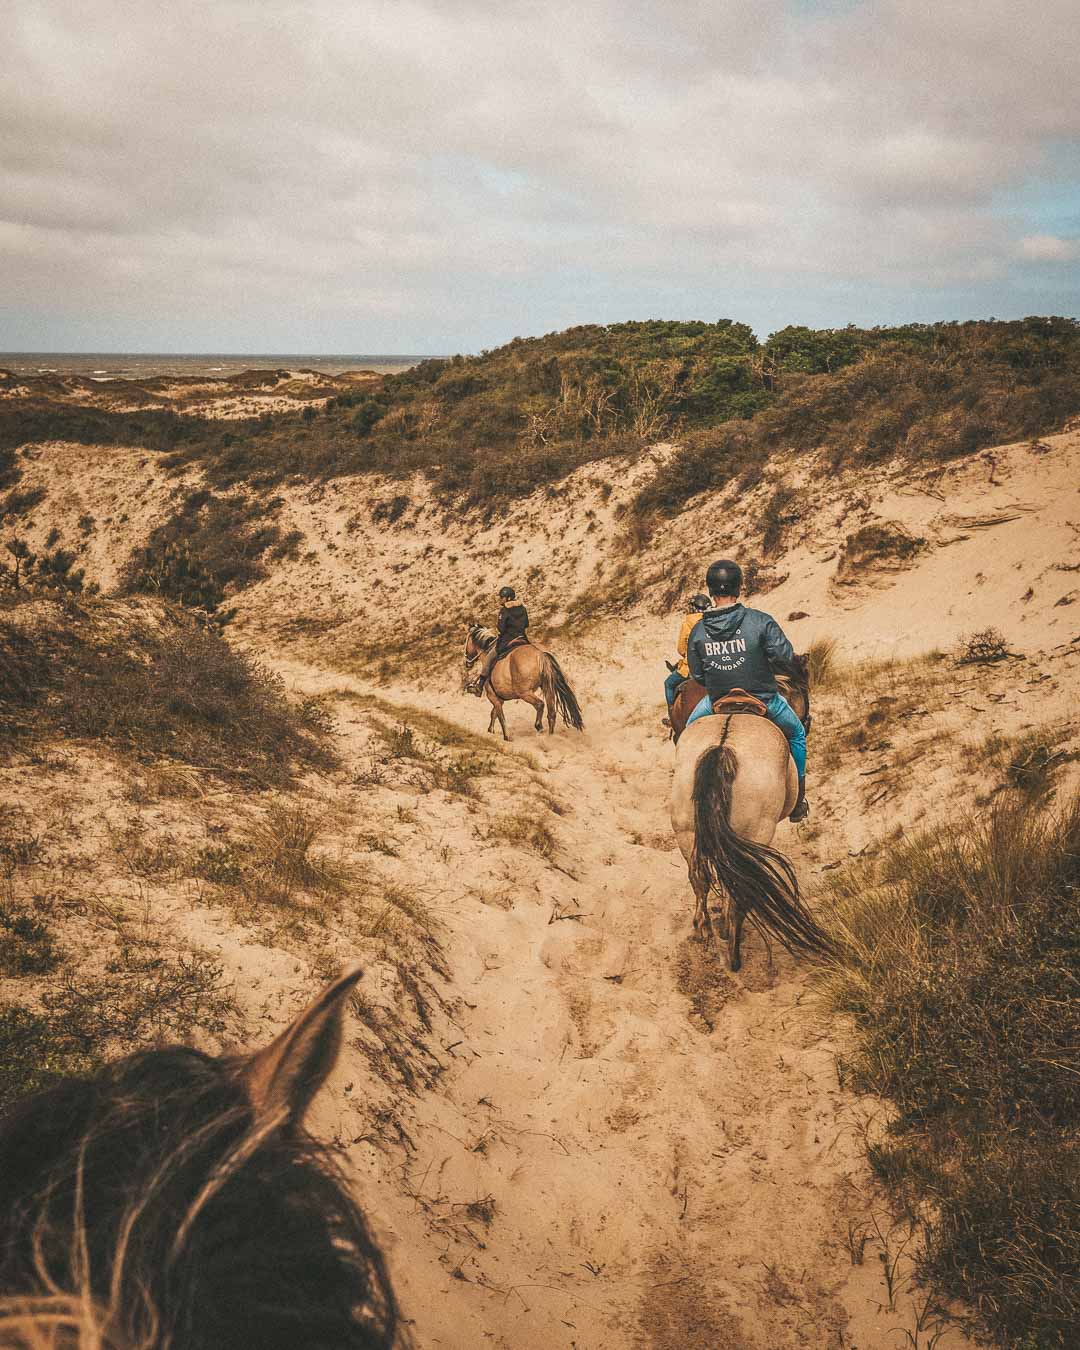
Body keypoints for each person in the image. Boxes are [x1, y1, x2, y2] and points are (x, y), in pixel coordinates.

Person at [685, 559, 809, 822]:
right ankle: (798, 801)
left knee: (687, 733)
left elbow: (696, 675)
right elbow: (785, 657)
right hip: (764, 699)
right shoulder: (760, 622)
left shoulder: (697, 630)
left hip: (717, 701)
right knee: (797, 733)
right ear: (739, 589)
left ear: (710, 591)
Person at [472, 585, 530, 695]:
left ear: (508, 598)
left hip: (507, 640)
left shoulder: (504, 610)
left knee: (489, 658)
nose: (500, 599)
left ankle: (480, 686)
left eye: (502, 597)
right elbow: (526, 624)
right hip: (522, 638)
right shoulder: (523, 608)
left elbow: (501, 628)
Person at [663, 593, 711, 718]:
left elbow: (681, 649)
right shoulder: (713, 621)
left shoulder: (687, 623)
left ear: (694, 608)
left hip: (691, 668)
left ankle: (671, 715)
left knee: (668, 684)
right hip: (711, 664)